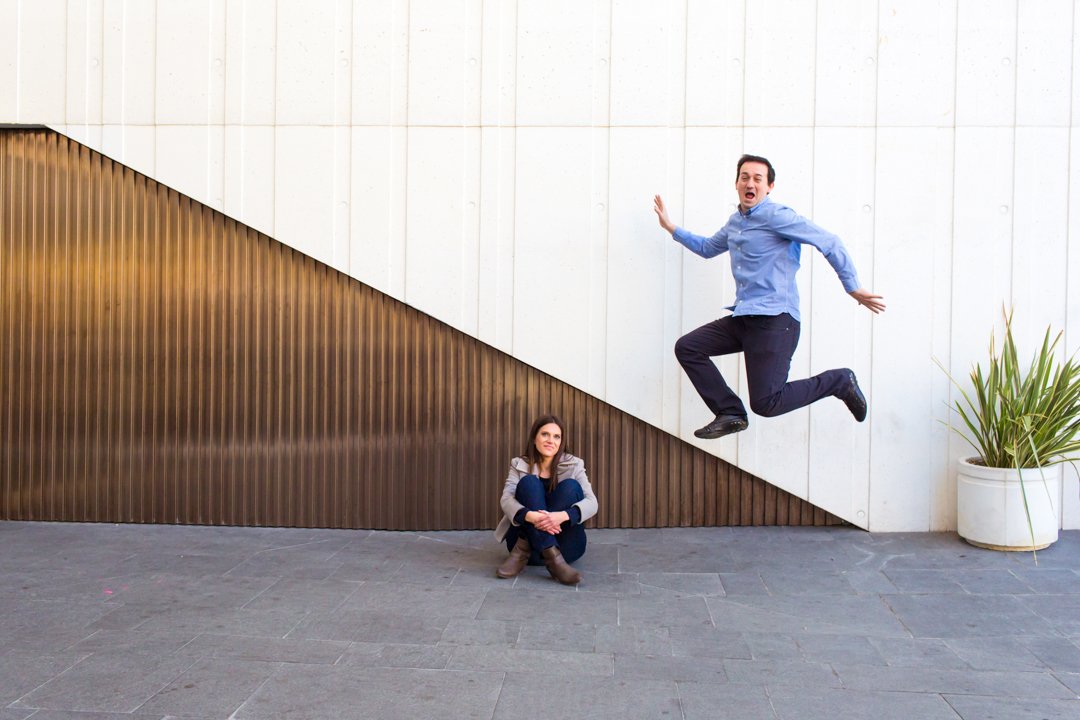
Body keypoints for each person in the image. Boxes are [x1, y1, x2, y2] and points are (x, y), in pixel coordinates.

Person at [653, 154, 886, 440]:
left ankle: (839, 381)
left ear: (769, 186)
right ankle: (731, 413)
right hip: (745, 318)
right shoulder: (735, 222)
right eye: (745, 177)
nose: (750, 183)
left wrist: (852, 286)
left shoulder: (777, 216)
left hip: (776, 320)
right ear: (737, 183)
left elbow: (829, 241)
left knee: (767, 403)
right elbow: (707, 248)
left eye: (758, 179)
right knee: (688, 347)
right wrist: (671, 228)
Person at [494, 414, 597, 585]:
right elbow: (506, 499)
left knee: (570, 487)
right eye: (545, 434)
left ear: (561, 442)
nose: (551, 440)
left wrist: (562, 516)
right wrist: (530, 516)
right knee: (529, 483)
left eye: (556, 436)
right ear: (535, 438)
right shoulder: (519, 464)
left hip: (566, 547)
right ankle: (552, 559)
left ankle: (529, 545)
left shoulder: (575, 464)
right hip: (530, 555)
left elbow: (592, 503)